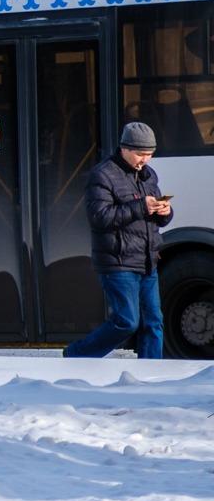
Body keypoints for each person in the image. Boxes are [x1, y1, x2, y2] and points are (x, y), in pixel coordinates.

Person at [65, 121, 172, 359]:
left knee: (154, 323)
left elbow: (152, 217)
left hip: (147, 260)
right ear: (124, 148)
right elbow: (99, 218)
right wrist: (140, 207)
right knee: (127, 321)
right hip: (118, 262)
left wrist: (165, 212)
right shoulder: (102, 175)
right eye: (140, 154)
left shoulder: (148, 175)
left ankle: (151, 375)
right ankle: (77, 354)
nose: (145, 160)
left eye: (150, 154)